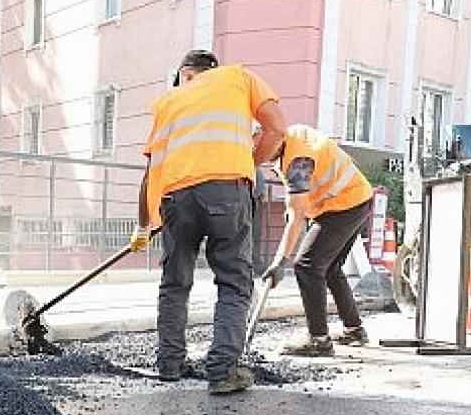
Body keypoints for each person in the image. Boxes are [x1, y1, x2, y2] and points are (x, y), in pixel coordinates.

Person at [130, 49, 287, 394]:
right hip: (227, 192)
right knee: (233, 282)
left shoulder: (169, 101)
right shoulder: (239, 77)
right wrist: (249, 162)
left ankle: (169, 364)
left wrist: (145, 224)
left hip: (176, 197)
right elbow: (277, 128)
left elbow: (150, 173)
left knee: (174, 282)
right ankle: (222, 371)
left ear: (185, 74)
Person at [259, 124, 374, 356]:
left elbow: (297, 216)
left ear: (270, 138)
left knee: (307, 265)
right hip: (356, 199)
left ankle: (319, 340)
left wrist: (280, 261)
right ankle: (354, 330)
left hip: (344, 205)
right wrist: (296, 208)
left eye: (258, 149)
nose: (257, 156)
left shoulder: (298, 160)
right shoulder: (292, 136)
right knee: (330, 267)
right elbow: (298, 202)